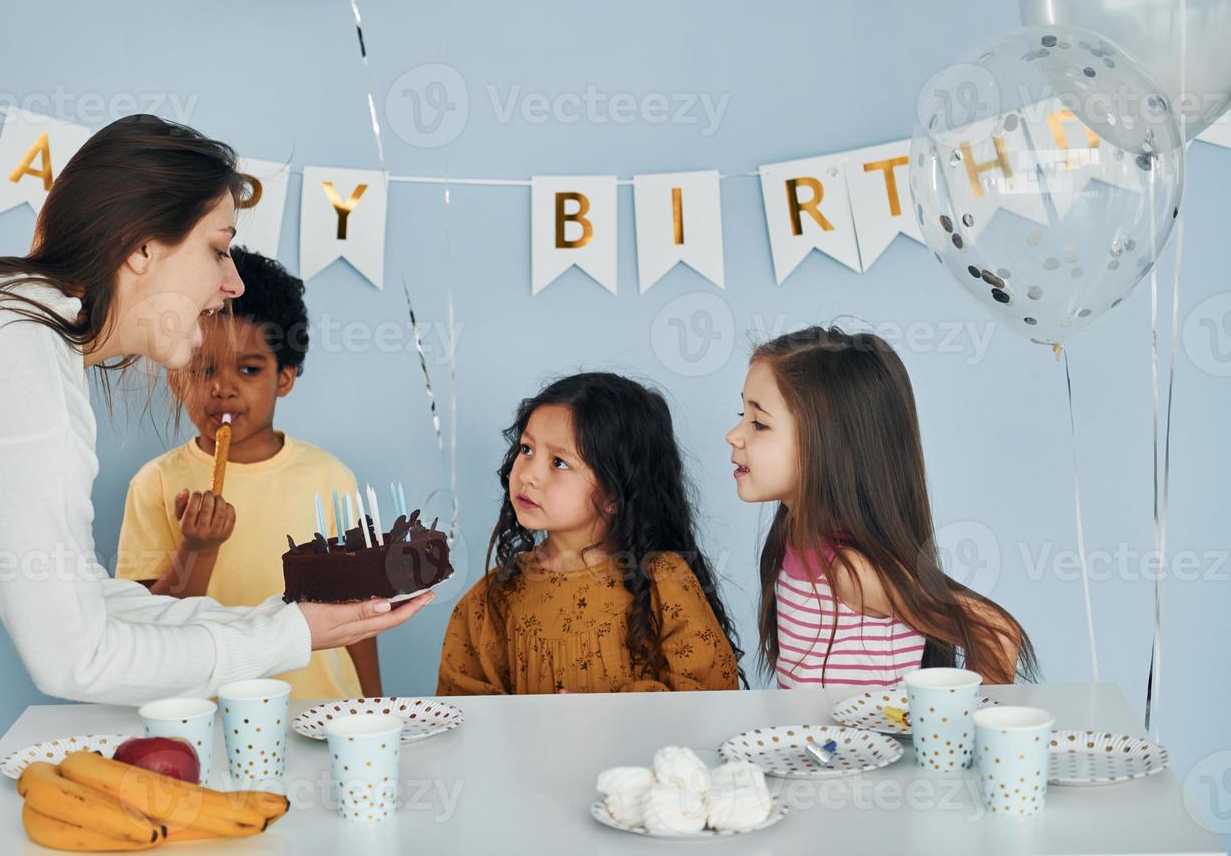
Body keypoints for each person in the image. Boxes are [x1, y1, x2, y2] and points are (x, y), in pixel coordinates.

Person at [0, 115, 429, 855]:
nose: (232, 282)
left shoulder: (14, 328)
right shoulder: (13, 357)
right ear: (142, 248)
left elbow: (74, 593)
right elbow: (75, 657)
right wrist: (290, 633)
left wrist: (279, 622)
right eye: (217, 248)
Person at [116, 246, 380, 699]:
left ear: (285, 378)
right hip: (205, 715)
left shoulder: (330, 479)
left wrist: (376, 704)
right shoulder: (155, 483)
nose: (223, 388)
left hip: (322, 711)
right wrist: (197, 549)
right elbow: (145, 630)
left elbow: (358, 615)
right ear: (176, 376)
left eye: (249, 369)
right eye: (202, 369)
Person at [726, 325, 1035, 688]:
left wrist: (971, 732)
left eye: (759, 423)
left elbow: (995, 632)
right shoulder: (792, 537)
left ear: (833, 444)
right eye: (742, 414)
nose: (733, 435)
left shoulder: (850, 571)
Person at [438, 372, 743, 694]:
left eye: (559, 462)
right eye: (526, 449)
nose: (528, 475)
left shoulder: (664, 583)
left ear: (616, 491)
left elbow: (710, 699)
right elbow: (461, 707)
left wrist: (607, 718)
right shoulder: (493, 598)